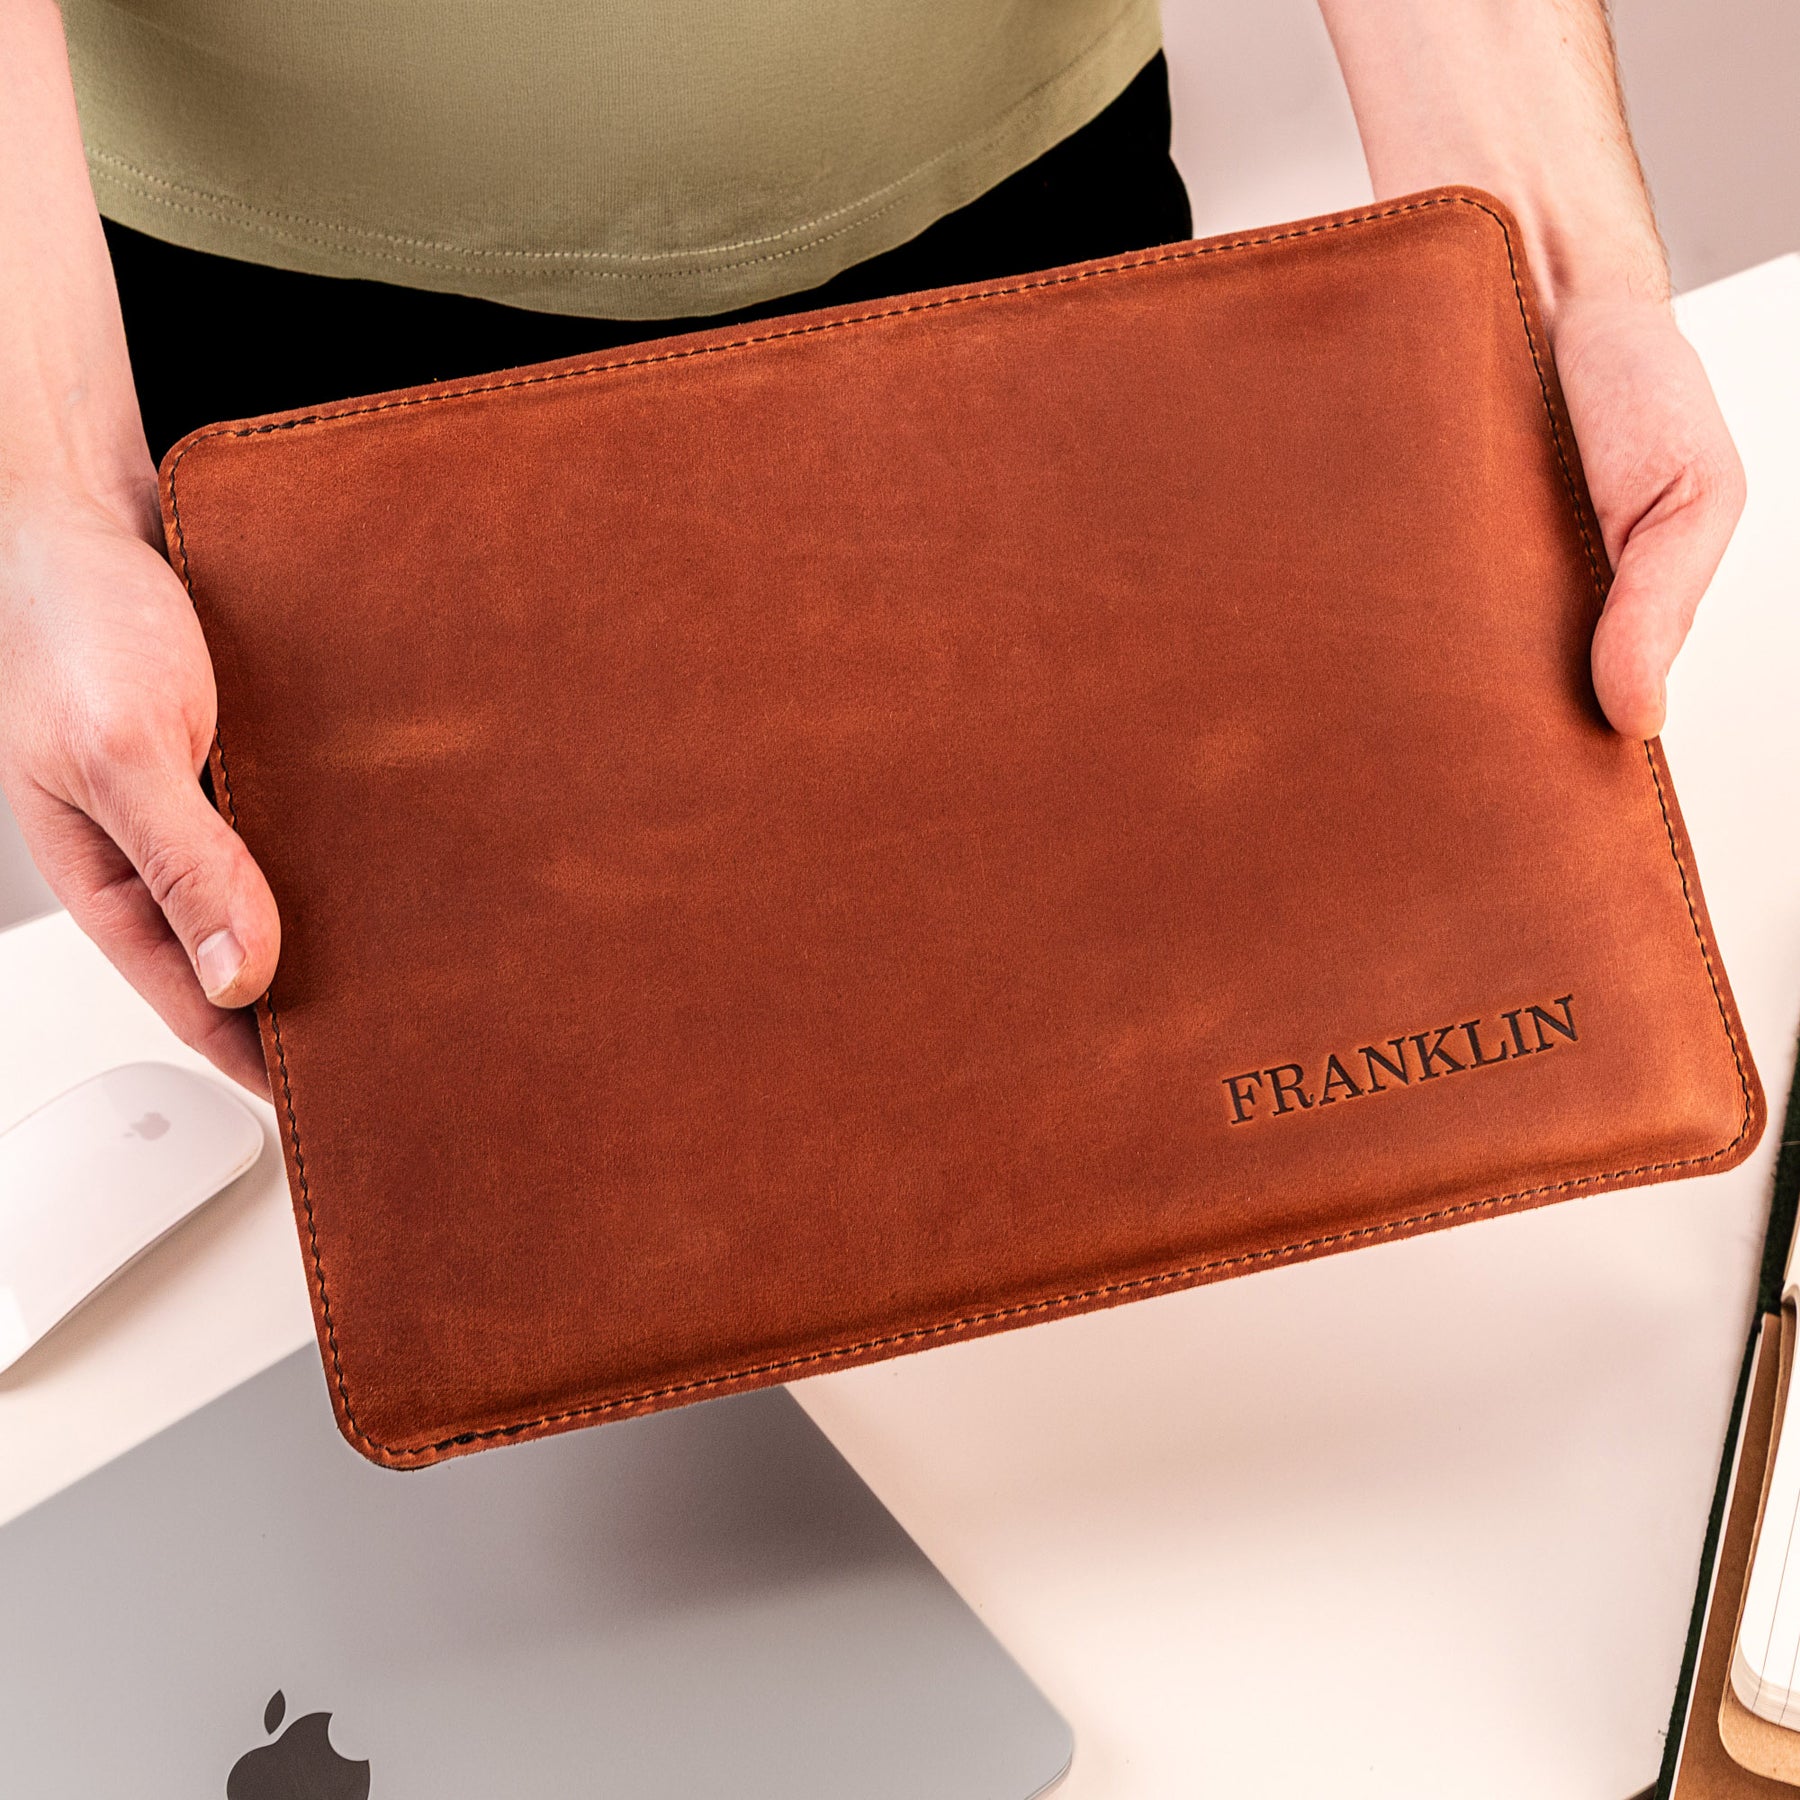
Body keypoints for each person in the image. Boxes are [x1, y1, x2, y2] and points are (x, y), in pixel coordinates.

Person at [0, 0, 1746, 1096]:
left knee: (1115, 1070)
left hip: (1023, 188)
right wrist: (47, 491)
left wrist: (1549, 278)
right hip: (286, 326)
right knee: (534, 1179)